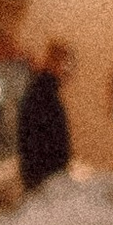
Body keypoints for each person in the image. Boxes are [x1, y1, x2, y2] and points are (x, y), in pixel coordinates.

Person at [16, 42, 73, 195]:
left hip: (41, 178)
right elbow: (43, 141)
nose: (69, 72)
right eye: (66, 64)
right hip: (45, 180)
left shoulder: (41, 91)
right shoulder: (43, 95)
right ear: (53, 61)